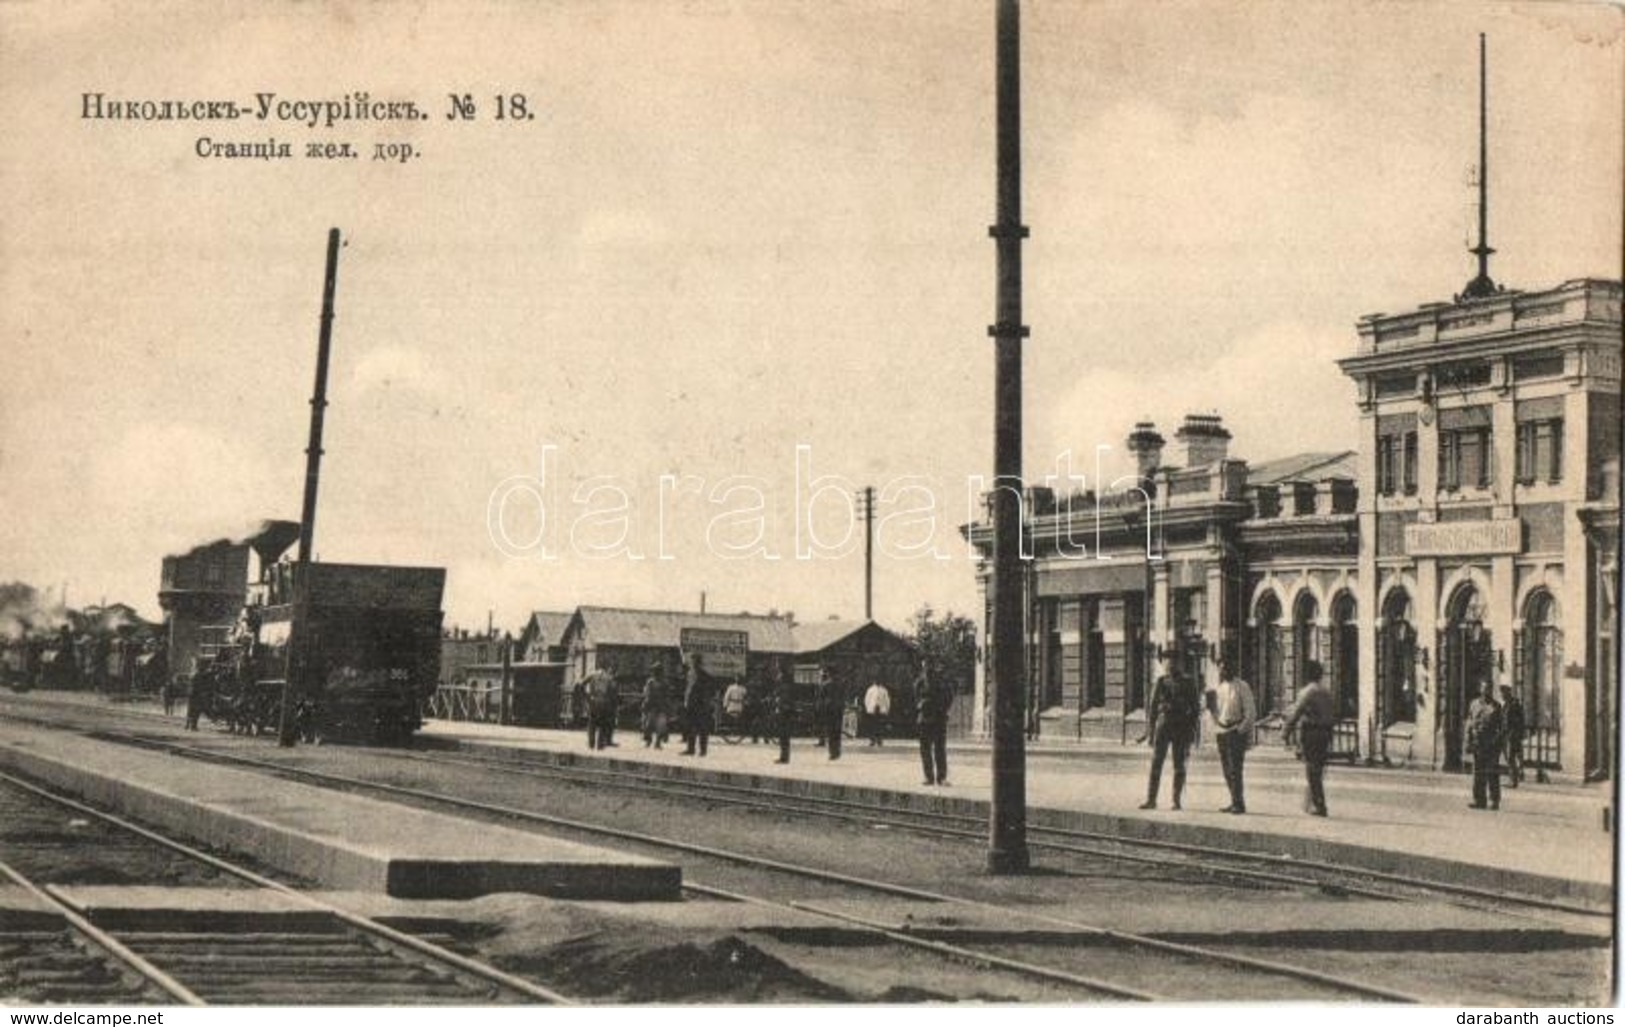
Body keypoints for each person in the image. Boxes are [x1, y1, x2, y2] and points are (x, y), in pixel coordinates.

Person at [1138, 657, 1202, 811]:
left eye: (1173, 662)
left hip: (1181, 728)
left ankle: (1176, 800)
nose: (1170, 665)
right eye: (1167, 662)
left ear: (1179, 664)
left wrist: (1193, 731)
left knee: (1179, 765)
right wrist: (1150, 732)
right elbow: (1152, 709)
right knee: (1156, 763)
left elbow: (1195, 708)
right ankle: (1151, 800)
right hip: (1163, 727)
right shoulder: (1161, 682)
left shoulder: (1188, 682)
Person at [1282, 659, 1336, 817]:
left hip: (1311, 733)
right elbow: (1332, 714)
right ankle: (1311, 803)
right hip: (1325, 733)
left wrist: (1286, 732)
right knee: (1318, 770)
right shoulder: (1326, 692)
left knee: (1312, 770)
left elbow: (1295, 713)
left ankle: (1319, 805)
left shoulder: (1307, 692)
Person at [1205, 657, 1256, 814]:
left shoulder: (1242, 687)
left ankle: (1238, 803)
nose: (1224, 671)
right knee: (1226, 769)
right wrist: (1213, 722)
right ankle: (1233, 799)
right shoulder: (1218, 689)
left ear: (1233, 669)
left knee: (1235, 769)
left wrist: (1240, 730)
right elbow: (1215, 713)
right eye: (1221, 668)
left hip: (1235, 731)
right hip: (1222, 732)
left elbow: (1250, 712)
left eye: (1227, 668)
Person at [1466, 679, 1504, 810]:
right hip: (1478, 743)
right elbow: (1470, 723)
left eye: (1488, 688)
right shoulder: (1474, 704)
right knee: (1478, 772)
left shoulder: (1496, 706)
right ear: (1480, 688)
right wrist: (1468, 741)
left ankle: (1494, 800)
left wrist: (1496, 742)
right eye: (1483, 687)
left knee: (1492, 773)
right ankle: (1479, 800)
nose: (1486, 690)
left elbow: (1501, 727)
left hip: (1491, 744)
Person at [915, 663, 952, 786]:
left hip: (936, 718)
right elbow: (915, 698)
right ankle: (931, 777)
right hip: (926, 719)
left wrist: (942, 710)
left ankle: (939, 777)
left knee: (938, 749)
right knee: (929, 749)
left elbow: (948, 697)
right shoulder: (920, 682)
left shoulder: (940, 683)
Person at [682, 655, 715, 756]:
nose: (693, 664)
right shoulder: (689, 674)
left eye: (695, 662)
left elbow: (708, 691)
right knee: (690, 727)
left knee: (702, 729)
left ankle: (703, 750)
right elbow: (688, 689)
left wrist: (706, 703)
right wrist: (686, 701)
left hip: (701, 706)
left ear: (699, 663)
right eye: (692, 662)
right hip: (691, 705)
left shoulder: (705, 676)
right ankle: (690, 749)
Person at [1499, 683, 1526, 789]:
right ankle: (1514, 778)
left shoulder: (1514, 704)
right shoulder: (1506, 704)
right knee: (1509, 757)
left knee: (1511, 757)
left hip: (1512, 734)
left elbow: (1519, 720)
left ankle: (1513, 780)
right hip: (1506, 734)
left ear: (1507, 693)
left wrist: (1517, 734)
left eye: (1503, 693)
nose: (1502, 695)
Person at [815, 665, 844, 760]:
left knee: (831, 732)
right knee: (837, 731)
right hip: (838, 709)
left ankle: (832, 752)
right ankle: (838, 751)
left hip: (828, 709)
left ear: (829, 674)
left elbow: (821, 699)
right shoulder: (840, 684)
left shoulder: (825, 685)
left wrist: (819, 709)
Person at [587, 670, 620, 751]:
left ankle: (591, 744)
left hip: (593, 702)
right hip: (604, 704)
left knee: (592, 724)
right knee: (603, 724)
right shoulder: (609, 678)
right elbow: (613, 693)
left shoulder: (592, 675)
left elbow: (580, 684)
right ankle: (600, 745)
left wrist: (588, 697)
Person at [769, 660, 794, 764]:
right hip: (783, 711)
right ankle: (784, 756)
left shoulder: (784, 687)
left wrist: (778, 703)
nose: (777, 676)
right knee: (783, 736)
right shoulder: (785, 685)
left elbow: (783, 700)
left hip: (783, 712)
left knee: (783, 735)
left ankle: (784, 757)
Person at [641, 661, 669, 749]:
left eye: (658, 671)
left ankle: (658, 742)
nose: (656, 673)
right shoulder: (650, 682)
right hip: (651, 706)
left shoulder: (664, 683)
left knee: (660, 725)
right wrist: (645, 704)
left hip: (660, 706)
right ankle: (649, 741)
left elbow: (666, 695)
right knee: (648, 725)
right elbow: (646, 694)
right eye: (655, 671)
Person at [863, 680, 891, 746]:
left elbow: (887, 700)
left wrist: (887, 709)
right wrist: (868, 708)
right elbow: (867, 699)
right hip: (872, 710)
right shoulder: (870, 689)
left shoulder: (884, 690)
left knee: (880, 726)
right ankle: (872, 740)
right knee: (872, 725)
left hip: (881, 709)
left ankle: (879, 739)